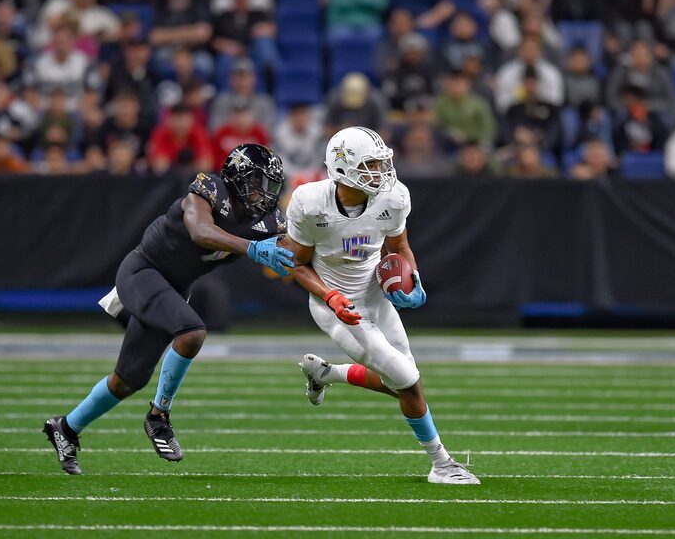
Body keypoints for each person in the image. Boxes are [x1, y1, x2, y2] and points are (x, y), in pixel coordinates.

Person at [43, 143, 294, 474]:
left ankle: (66, 427)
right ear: (236, 178)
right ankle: (158, 416)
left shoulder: (268, 219)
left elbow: (295, 254)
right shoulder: (208, 189)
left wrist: (329, 288)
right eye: (258, 183)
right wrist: (253, 248)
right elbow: (201, 231)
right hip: (143, 272)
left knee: (127, 380)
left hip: (174, 289)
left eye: (270, 186)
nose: (264, 194)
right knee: (192, 332)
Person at [283, 126, 480, 485]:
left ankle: (328, 374)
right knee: (407, 381)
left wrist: (412, 277)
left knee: (403, 383)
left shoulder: (393, 198)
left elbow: (399, 247)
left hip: (375, 295)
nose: (381, 172)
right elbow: (296, 264)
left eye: (381, 163)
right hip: (335, 306)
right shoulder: (311, 202)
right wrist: (330, 296)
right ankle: (442, 463)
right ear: (343, 168)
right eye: (371, 164)